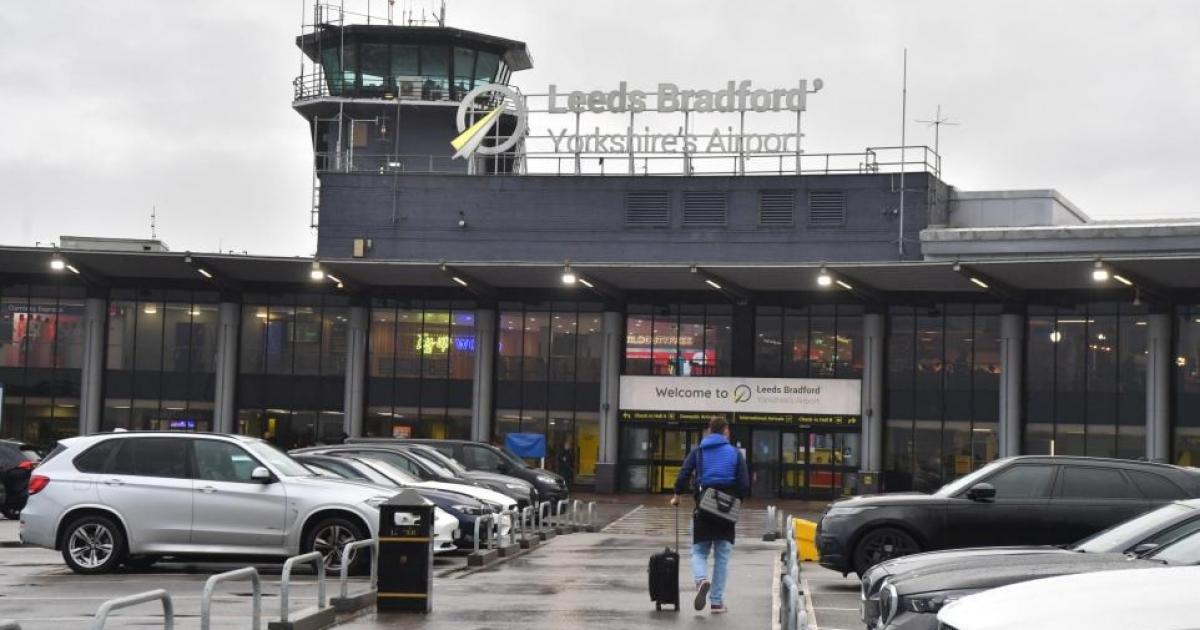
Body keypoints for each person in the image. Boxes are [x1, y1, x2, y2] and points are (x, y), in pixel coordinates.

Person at [670, 418, 750, 614]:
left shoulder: (699, 451)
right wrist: (736, 501)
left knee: (699, 552)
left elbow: (684, 473)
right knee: (722, 557)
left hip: (704, 506)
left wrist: (677, 495)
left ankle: (701, 580)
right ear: (725, 430)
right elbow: (744, 485)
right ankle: (716, 602)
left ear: (709, 431)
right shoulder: (734, 453)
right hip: (726, 510)